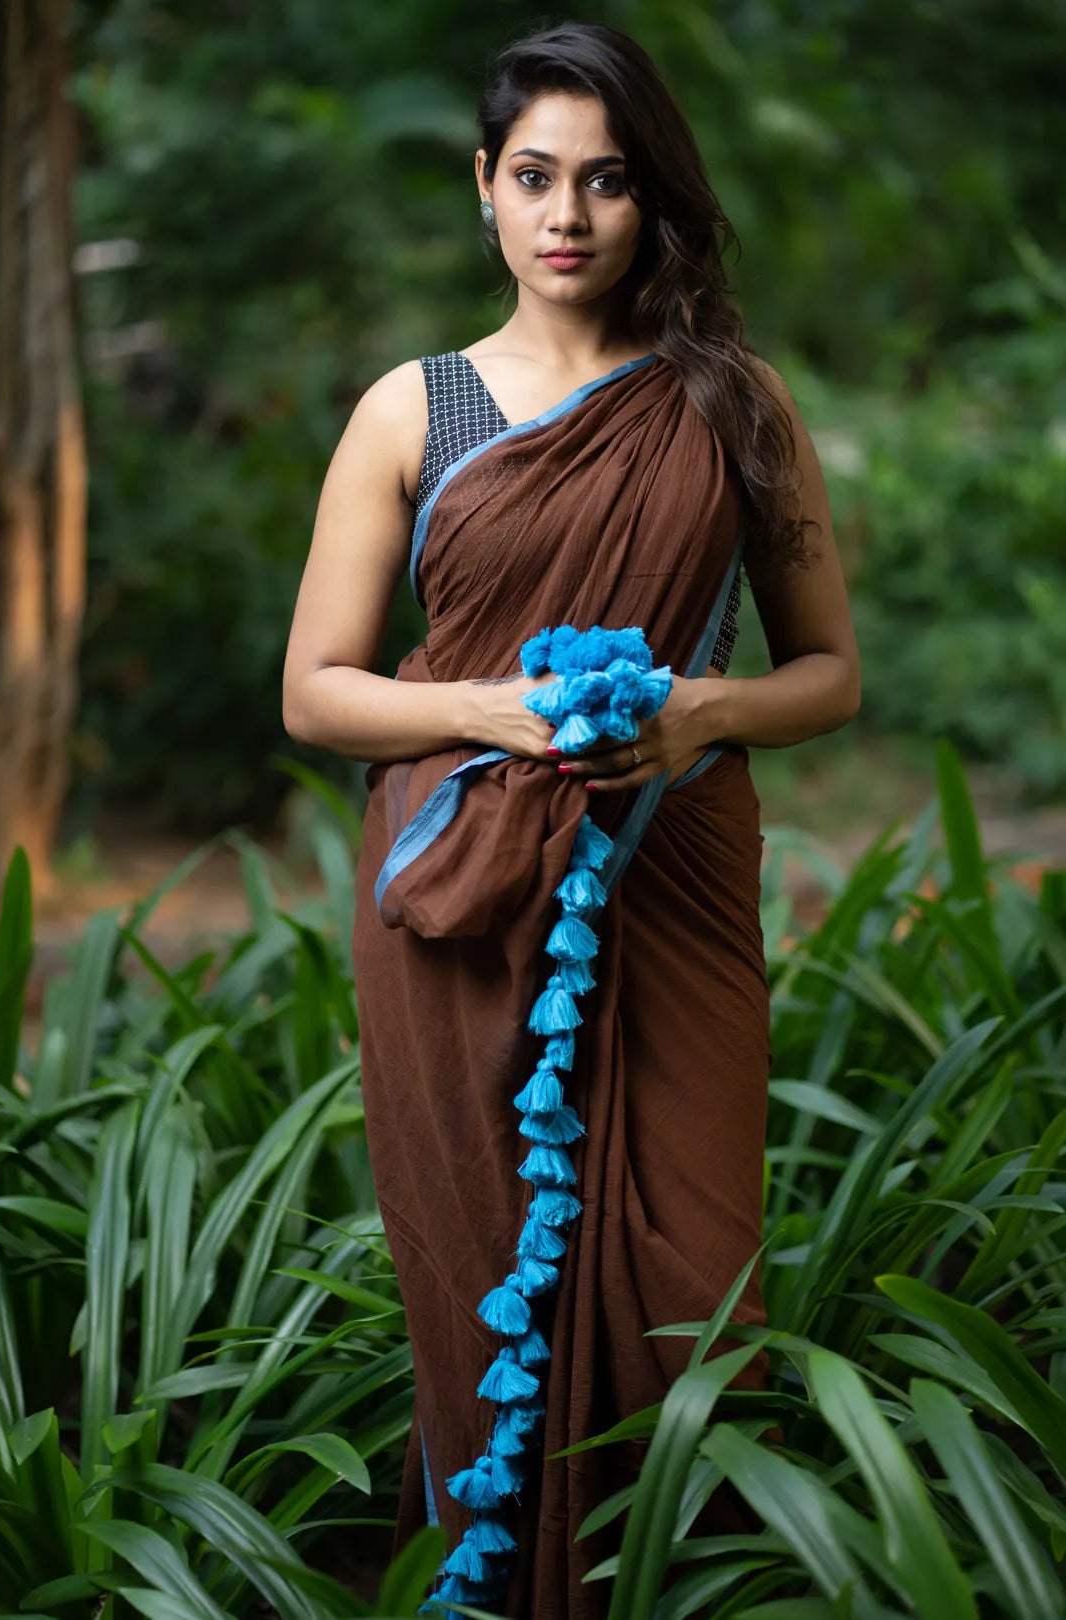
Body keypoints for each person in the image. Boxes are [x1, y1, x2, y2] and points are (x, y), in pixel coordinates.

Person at [282, 19, 860, 1619]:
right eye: (534, 176)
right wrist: (489, 712)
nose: (568, 215)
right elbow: (317, 692)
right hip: (464, 907)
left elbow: (829, 673)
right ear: (482, 188)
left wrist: (703, 712)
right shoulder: (418, 409)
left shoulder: (734, 402)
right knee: (489, 1315)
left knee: (693, 1291)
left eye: (606, 182)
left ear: (650, 198)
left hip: (670, 882)